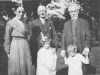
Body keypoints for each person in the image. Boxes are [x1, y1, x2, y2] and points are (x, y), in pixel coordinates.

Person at [61, 1, 91, 74]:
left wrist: (87, 48)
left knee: (83, 70)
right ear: (69, 13)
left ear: (78, 11)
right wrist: (63, 49)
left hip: (81, 50)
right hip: (70, 51)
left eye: (74, 11)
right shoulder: (66, 24)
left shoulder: (84, 22)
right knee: (72, 70)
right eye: (71, 12)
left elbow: (88, 36)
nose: (73, 13)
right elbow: (63, 38)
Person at [4, 4, 32, 75]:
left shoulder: (25, 23)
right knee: (15, 67)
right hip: (15, 46)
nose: (21, 14)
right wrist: (7, 51)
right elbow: (7, 39)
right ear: (15, 12)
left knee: (25, 66)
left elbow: (27, 35)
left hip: (25, 46)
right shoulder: (10, 23)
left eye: (23, 12)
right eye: (19, 12)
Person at [29, 5, 57, 73]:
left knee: (49, 66)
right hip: (38, 49)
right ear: (38, 13)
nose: (42, 12)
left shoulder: (50, 23)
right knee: (39, 67)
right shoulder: (33, 23)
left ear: (46, 12)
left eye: (43, 11)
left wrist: (54, 47)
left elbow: (54, 35)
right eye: (40, 11)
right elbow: (31, 38)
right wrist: (32, 50)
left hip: (48, 49)